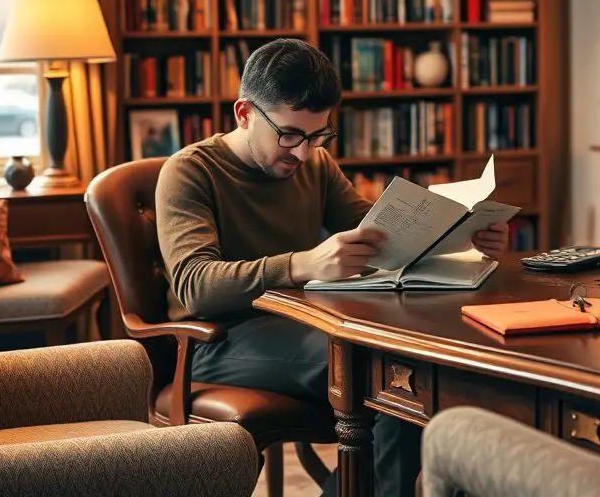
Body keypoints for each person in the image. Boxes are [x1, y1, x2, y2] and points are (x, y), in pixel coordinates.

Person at [155, 38, 509, 496]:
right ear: (244, 113)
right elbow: (195, 285)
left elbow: (380, 235)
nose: (302, 153)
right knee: (397, 381)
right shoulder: (189, 171)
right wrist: (305, 263)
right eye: (289, 134)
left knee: (412, 375)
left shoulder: (314, 162)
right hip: (219, 340)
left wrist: (464, 237)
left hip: (307, 322)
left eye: (317, 135)